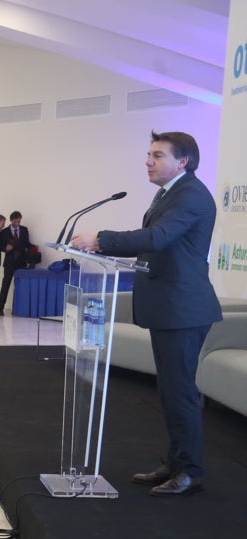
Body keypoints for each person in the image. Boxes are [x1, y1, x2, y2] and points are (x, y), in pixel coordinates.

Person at [70, 131, 220, 497]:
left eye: (157, 155)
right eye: (148, 154)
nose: (148, 161)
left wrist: (100, 240)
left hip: (183, 308)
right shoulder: (170, 193)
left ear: (182, 161)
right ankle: (176, 461)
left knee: (180, 390)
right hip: (168, 306)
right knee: (169, 389)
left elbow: (156, 238)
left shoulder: (192, 196)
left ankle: (190, 471)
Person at [0, 212, 31, 317]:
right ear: (11, 220)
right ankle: (0, 308)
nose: (17, 223)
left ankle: (17, 309)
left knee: (19, 286)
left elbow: (27, 244)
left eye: (19, 221)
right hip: (10, 262)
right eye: (15, 221)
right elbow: (0, 247)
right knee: (5, 285)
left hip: (21, 262)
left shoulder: (24, 229)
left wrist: (33, 248)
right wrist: (5, 248)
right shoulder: (4, 232)